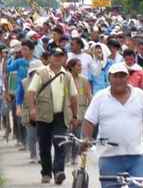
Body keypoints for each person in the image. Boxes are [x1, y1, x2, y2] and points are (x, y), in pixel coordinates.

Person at [82, 63, 143, 188]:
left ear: (128, 78)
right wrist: (87, 138)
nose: (119, 80)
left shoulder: (140, 96)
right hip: (109, 157)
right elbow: (89, 121)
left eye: (122, 76)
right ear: (109, 78)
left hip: (137, 157)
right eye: (115, 76)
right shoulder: (100, 97)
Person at [26, 48, 80, 184]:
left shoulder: (67, 75)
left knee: (60, 143)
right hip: (43, 115)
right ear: (49, 57)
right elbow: (31, 92)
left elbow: (74, 97)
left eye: (60, 56)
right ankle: (46, 173)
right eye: (55, 56)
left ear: (64, 58)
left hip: (61, 116)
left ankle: (58, 172)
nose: (57, 58)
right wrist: (32, 109)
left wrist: (75, 115)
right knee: (44, 145)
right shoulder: (41, 73)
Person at [65, 58, 92, 165]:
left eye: (81, 65)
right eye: (78, 65)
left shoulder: (84, 80)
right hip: (67, 109)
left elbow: (88, 94)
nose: (80, 68)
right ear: (71, 67)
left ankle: (74, 157)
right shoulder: (65, 78)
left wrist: (91, 106)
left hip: (81, 109)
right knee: (67, 134)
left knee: (77, 135)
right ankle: (66, 157)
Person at [16, 60, 43, 164]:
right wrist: (18, 107)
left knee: (42, 134)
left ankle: (42, 154)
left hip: (43, 110)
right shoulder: (24, 82)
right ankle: (33, 155)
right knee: (31, 135)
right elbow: (19, 96)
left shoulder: (45, 80)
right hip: (28, 111)